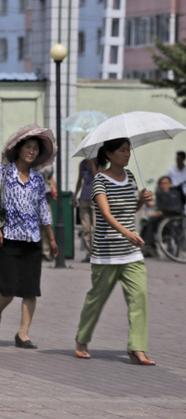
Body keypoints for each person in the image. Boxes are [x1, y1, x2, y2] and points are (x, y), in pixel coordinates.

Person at [74, 138, 155, 365]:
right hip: (106, 253)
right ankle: (82, 339)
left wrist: (141, 200)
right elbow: (106, 215)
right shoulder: (100, 180)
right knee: (96, 299)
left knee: (139, 297)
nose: (127, 154)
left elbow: (131, 210)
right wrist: (127, 233)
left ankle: (137, 348)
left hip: (131, 253)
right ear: (109, 154)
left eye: (128, 150)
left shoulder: (130, 177)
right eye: (122, 150)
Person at [0, 125, 58, 350]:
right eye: (28, 146)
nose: (32, 151)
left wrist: (52, 239)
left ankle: (23, 334)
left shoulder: (37, 179)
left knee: (30, 289)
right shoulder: (2, 172)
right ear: (18, 149)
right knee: (7, 288)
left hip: (32, 240)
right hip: (8, 237)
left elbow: (43, 210)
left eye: (36, 148)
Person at [140, 175, 183, 256]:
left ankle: (148, 245)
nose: (163, 186)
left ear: (171, 184)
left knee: (151, 220)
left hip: (171, 222)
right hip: (162, 221)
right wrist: (144, 199)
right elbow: (153, 205)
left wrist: (152, 214)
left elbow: (165, 211)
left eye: (165, 183)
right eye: (161, 184)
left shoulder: (173, 195)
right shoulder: (161, 196)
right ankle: (149, 246)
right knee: (148, 221)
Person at [73, 158, 99, 263]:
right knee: (85, 229)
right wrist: (75, 196)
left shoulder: (100, 163)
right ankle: (89, 254)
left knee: (97, 228)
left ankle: (97, 253)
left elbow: (98, 177)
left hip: (96, 199)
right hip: (84, 198)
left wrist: (93, 164)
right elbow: (80, 180)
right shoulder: (82, 164)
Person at [38, 165, 57, 261]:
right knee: (36, 225)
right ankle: (37, 251)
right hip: (34, 196)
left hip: (46, 196)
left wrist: (54, 189)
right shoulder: (33, 160)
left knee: (48, 223)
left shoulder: (49, 164)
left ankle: (45, 252)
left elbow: (50, 177)